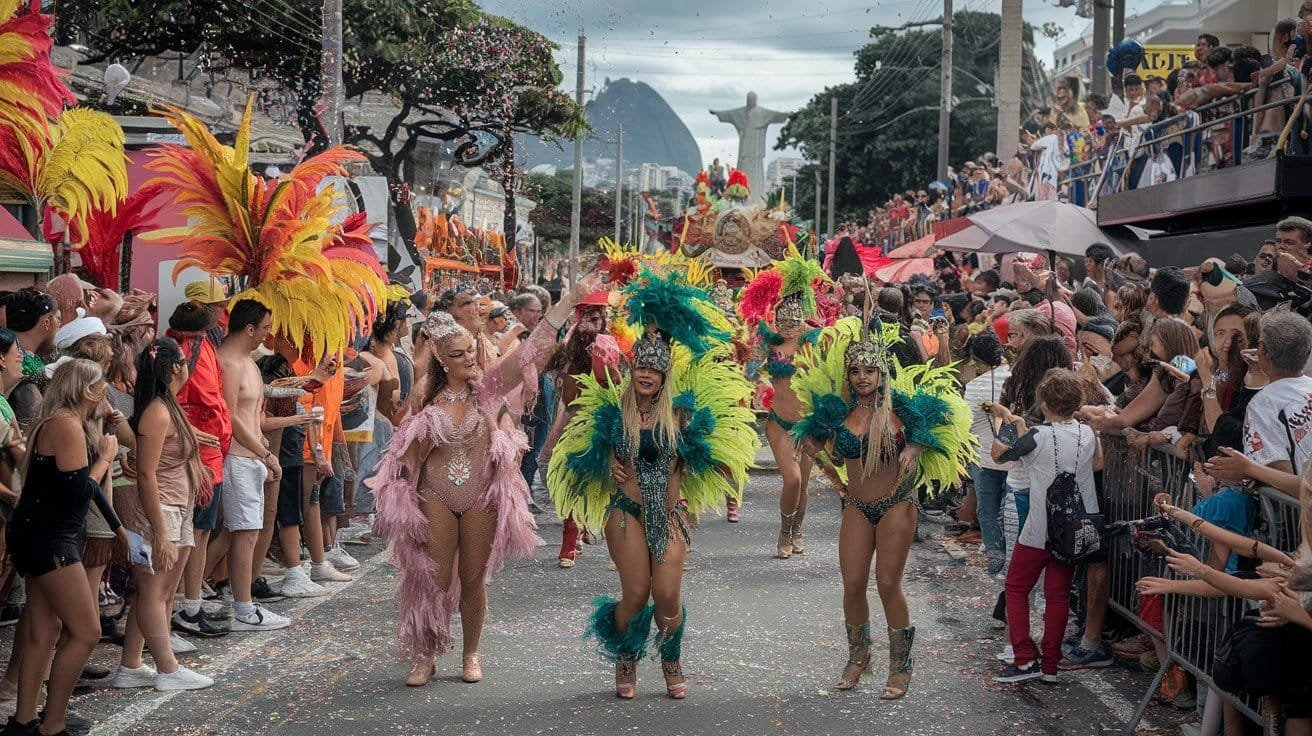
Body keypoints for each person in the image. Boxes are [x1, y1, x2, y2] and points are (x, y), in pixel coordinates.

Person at [370, 272, 601, 687]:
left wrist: (569, 300)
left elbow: (534, 347)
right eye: (458, 355)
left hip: (480, 494)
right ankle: (426, 654)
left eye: (471, 352)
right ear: (442, 358)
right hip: (434, 494)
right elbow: (400, 446)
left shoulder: (491, 389)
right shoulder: (425, 395)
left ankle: (471, 652)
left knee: (474, 578)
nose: (469, 360)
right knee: (433, 578)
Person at [549, 268, 755, 700]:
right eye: (641, 367)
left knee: (666, 596)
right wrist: (604, 466)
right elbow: (574, 455)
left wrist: (700, 455)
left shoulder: (681, 418)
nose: (646, 374)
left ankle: (670, 657)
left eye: (654, 370)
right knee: (636, 593)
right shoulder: (611, 415)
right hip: (626, 513)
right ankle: (627, 655)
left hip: (670, 514)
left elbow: (711, 458)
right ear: (633, 371)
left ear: (664, 378)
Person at [791, 316, 974, 697]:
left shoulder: (899, 406)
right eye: (855, 371)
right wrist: (818, 456)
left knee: (888, 583)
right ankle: (859, 658)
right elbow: (815, 443)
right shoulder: (837, 411)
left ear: (882, 374)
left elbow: (925, 429)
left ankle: (900, 667)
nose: (862, 377)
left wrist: (913, 446)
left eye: (870, 370)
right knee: (853, 584)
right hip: (857, 505)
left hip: (895, 505)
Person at [5, 359, 129, 736]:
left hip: (39, 532)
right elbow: (77, 493)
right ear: (89, 390)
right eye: (102, 387)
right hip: (50, 537)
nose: (107, 394)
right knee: (87, 630)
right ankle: (52, 723)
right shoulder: (65, 424)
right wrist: (106, 457)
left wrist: (118, 527)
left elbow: (74, 488)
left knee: (45, 630)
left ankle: (24, 721)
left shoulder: (62, 420)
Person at [110, 338, 214, 691]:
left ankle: (131, 664)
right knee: (155, 592)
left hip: (176, 508)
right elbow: (145, 473)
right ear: (174, 368)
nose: (188, 365)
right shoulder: (157, 411)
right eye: (185, 361)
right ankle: (168, 669)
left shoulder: (167, 406)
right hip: (160, 512)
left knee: (161, 592)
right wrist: (161, 532)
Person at [989, 369, 1103, 684]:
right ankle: (1050, 665)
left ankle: (1025, 659)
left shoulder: (1037, 436)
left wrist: (1008, 422)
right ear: (1077, 402)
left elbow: (998, 455)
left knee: (1016, 587)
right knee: (1058, 595)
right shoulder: (1088, 433)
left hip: (1040, 525)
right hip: (1074, 528)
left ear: (1043, 403)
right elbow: (1097, 464)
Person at [738, 254, 829, 559]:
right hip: (779, 423)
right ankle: (783, 531)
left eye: (795, 319)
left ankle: (796, 530)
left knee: (802, 485)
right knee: (793, 479)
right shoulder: (770, 344)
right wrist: (747, 350)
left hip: (806, 425)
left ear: (804, 317)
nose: (789, 326)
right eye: (783, 319)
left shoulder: (815, 343)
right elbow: (749, 373)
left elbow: (832, 376)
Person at [215, 300, 288, 632]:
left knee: (238, 533)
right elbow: (229, 417)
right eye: (265, 327)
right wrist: (264, 452)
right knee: (244, 533)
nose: (267, 334)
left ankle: (203, 594)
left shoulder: (248, 363)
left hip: (252, 456)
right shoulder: (228, 363)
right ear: (249, 329)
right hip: (238, 457)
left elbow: (254, 415)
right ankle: (243, 607)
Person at [166, 302, 232, 639]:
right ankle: (183, 608)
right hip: (201, 454)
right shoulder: (191, 350)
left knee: (196, 533)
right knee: (191, 534)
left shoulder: (181, 347)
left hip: (203, 451)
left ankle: (186, 606)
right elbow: (207, 401)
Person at [963, 330, 1012, 575]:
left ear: (977, 360)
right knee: (1010, 506)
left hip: (983, 456)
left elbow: (967, 423)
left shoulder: (973, 387)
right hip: (1015, 456)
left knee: (988, 507)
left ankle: (995, 552)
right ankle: (1011, 554)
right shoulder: (1015, 377)